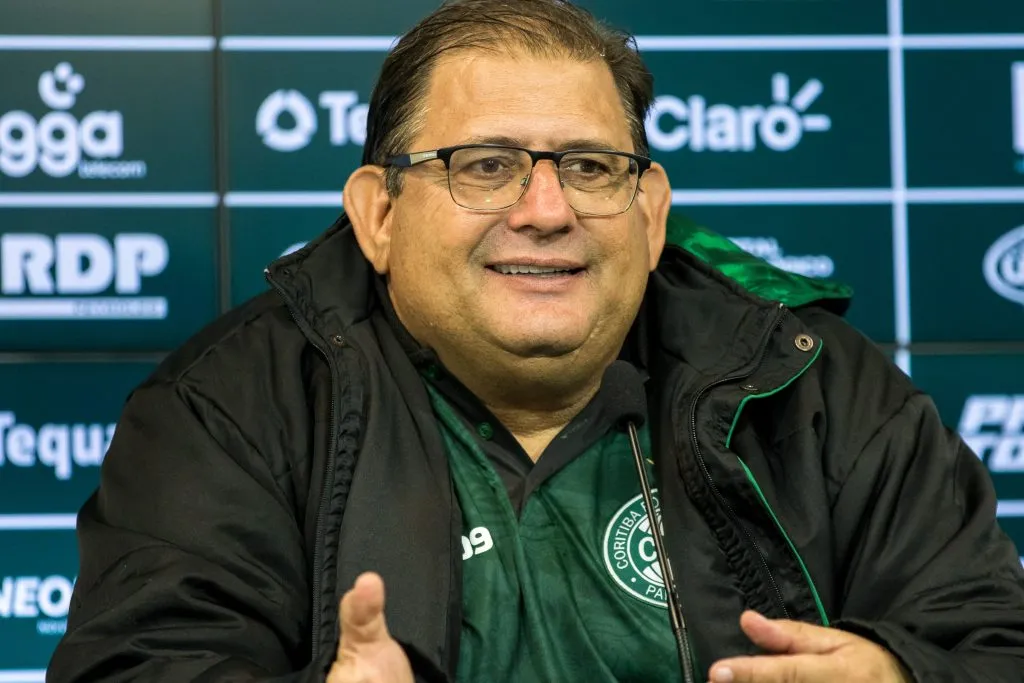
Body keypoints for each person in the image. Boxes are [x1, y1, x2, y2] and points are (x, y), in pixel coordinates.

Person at [48, 1, 1024, 681]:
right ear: (378, 213)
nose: (546, 209)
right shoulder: (226, 409)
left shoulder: (817, 387)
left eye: (591, 167)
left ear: (650, 212)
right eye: (486, 165)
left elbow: (993, 644)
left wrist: (900, 674)